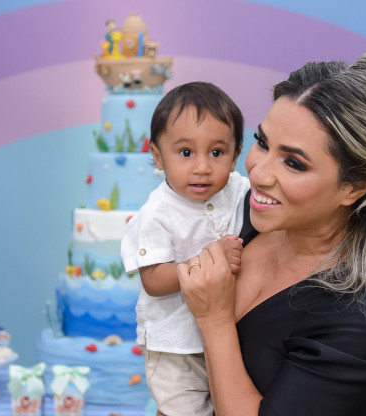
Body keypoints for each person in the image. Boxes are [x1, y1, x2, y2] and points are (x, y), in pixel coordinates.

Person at [178, 50, 366, 416]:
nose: (258, 173)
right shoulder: (251, 213)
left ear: (354, 187)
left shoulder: (360, 316)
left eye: (293, 163)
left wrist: (214, 320)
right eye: (262, 142)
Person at [121, 81, 250, 416]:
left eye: (217, 153)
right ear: (158, 157)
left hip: (229, 335)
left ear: (235, 157)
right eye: (186, 153)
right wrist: (209, 259)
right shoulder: (156, 214)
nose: (202, 167)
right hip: (175, 344)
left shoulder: (238, 190)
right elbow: (153, 280)